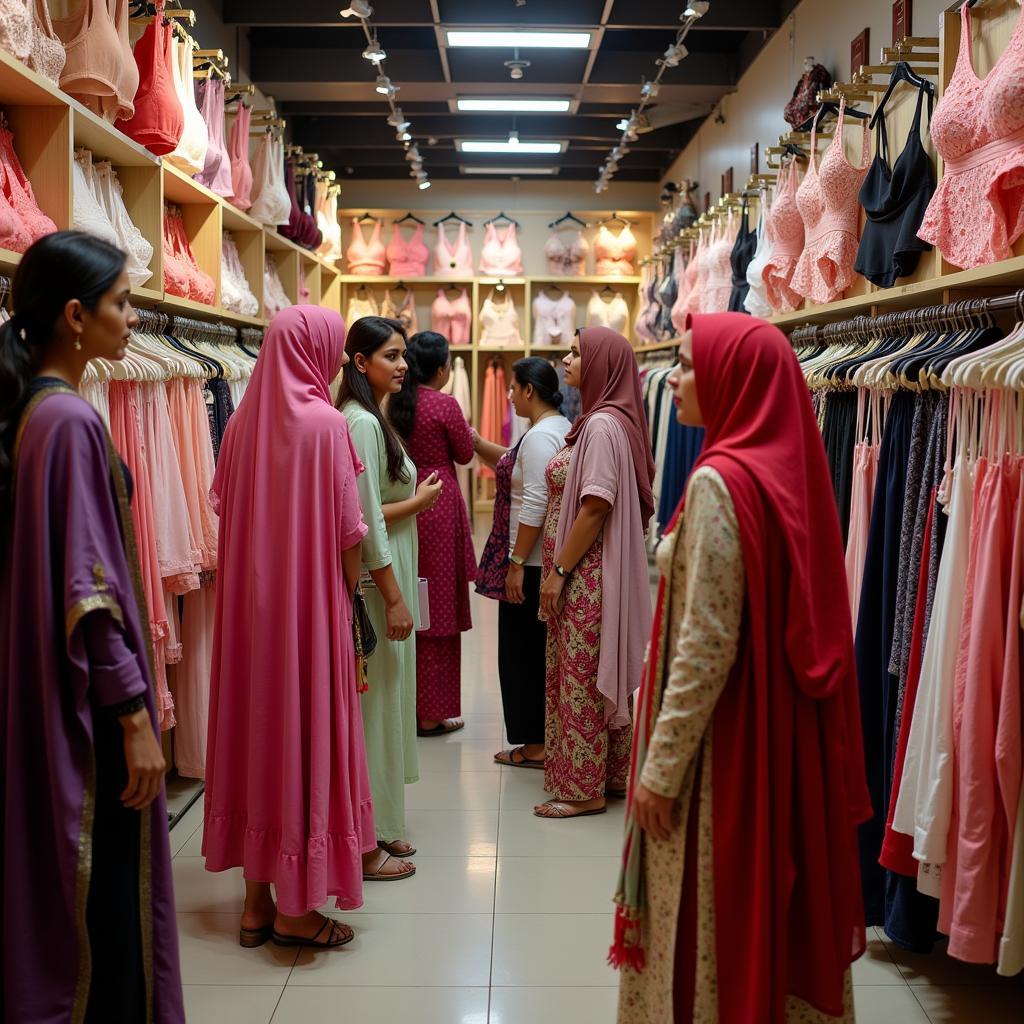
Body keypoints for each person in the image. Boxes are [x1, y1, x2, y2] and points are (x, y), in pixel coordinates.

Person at [612, 313, 871, 1023]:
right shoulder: (780, 471)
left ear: (735, 380)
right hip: (767, 730)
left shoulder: (719, 484)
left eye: (692, 366)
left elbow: (705, 644)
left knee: (706, 912)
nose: (677, 380)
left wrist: (660, 771)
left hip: (720, 754)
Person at [0, 231, 184, 1022]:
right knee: (110, 896)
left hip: (57, 687)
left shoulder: (35, 411)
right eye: (120, 303)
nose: (134, 318)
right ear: (76, 316)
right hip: (95, 704)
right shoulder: (70, 420)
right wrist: (135, 716)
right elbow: (92, 591)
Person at [203, 305, 397, 951]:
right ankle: (299, 912)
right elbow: (349, 536)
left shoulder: (238, 426)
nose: (342, 361)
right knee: (308, 736)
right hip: (307, 608)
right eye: (334, 348)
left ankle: (257, 905)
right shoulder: (326, 425)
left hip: (248, 615)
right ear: (311, 350)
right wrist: (351, 599)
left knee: (260, 738)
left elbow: (226, 509)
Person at [536, 327, 655, 819]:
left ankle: (583, 790)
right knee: (582, 672)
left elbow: (594, 506)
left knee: (582, 676)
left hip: (585, 574)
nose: (565, 360)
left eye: (576, 353)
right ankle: (606, 775)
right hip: (583, 571)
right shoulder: (600, 420)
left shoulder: (603, 426)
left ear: (602, 364)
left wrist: (560, 570)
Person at [338, 316, 442, 864]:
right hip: (379, 576)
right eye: (392, 356)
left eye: (404, 356)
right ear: (361, 362)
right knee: (376, 703)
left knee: (389, 696)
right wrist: (419, 505)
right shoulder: (360, 422)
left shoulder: (372, 416)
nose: (404, 366)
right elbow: (360, 514)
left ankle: (382, 819)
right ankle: (368, 831)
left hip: (391, 561)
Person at [474, 357, 571, 768]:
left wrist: (515, 562)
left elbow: (535, 500)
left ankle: (534, 745)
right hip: (537, 560)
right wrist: (478, 443)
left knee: (520, 654)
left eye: (513, 389)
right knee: (534, 652)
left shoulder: (538, 437)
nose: (510, 396)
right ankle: (542, 737)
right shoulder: (556, 428)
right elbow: (516, 465)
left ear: (529, 390)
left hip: (530, 563)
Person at [389, 330, 475, 737]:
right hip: (439, 505)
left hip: (406, 500)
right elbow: (465, 453)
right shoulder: (445, 404)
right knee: (439, 613)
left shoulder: (393, 403)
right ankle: (431, 713)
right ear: (442, 369)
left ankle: (406, 707)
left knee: (411, 600)